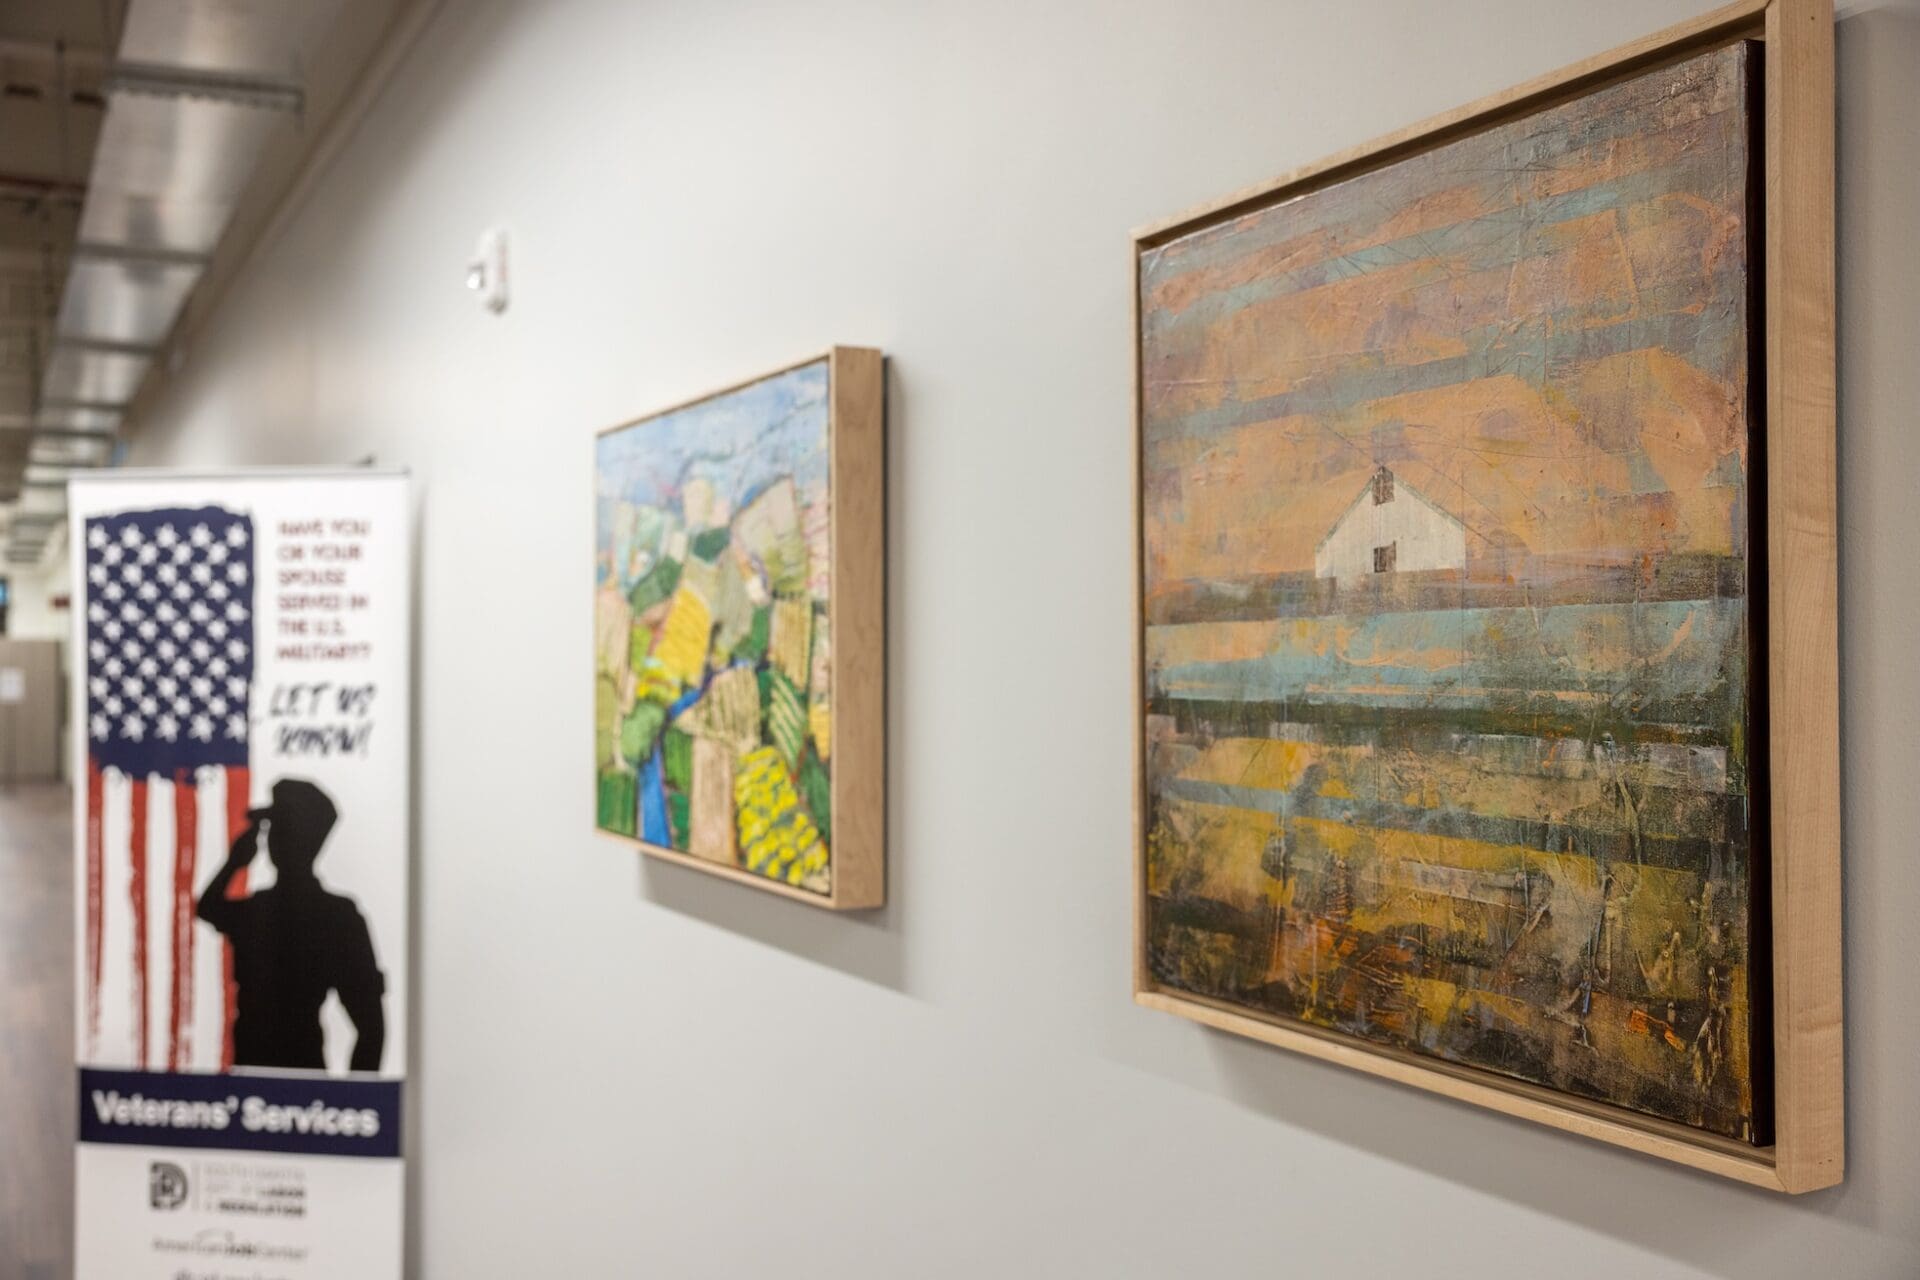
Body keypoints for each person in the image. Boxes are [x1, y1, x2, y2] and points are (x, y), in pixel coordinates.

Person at [197, 778, 386, 1073]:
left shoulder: (337, 918)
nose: (272, 838)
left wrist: (235, 862)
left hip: (300, 1074)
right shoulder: (270, 909)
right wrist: (235, 861)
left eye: (281, 829)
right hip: (251, 1073)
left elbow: (371, 1028)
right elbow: (207, 909)